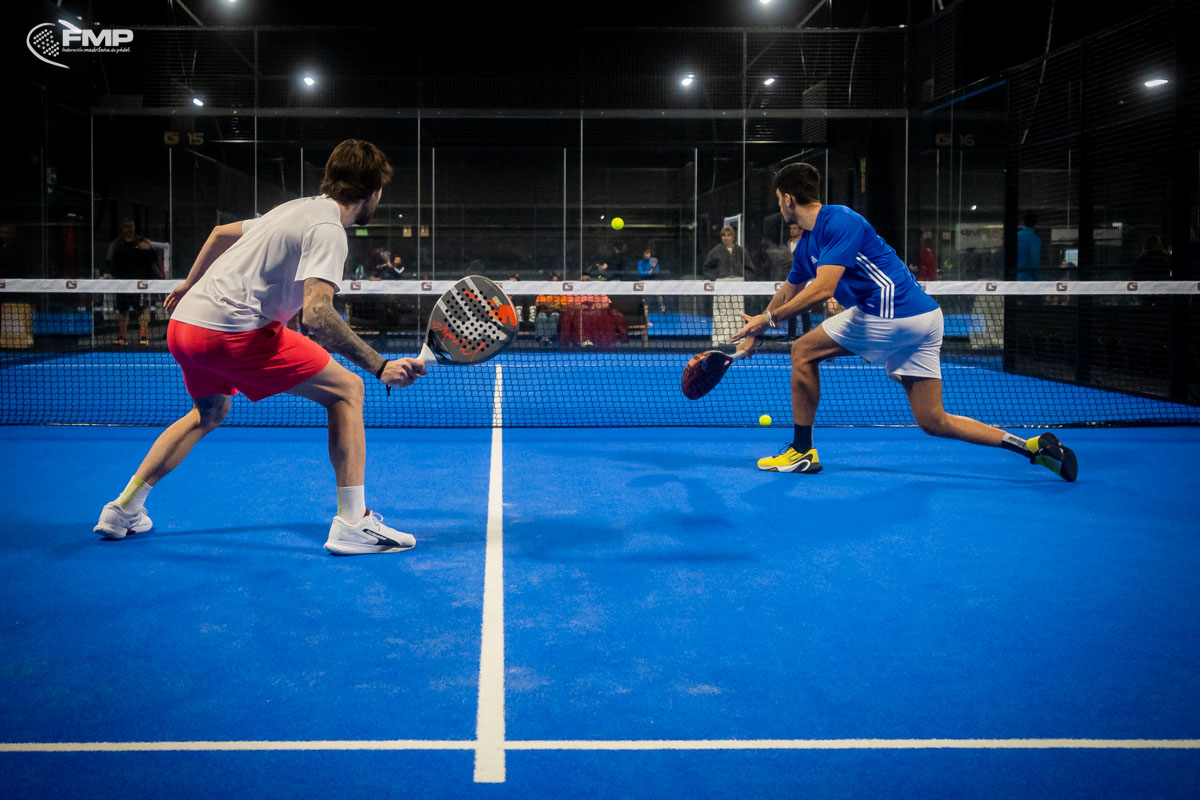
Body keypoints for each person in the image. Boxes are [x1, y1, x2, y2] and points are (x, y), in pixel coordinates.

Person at [93, 139, 428, 554]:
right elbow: (318, 316)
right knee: (348, 390)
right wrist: (379, 366)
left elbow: (219, 234)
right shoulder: (329, 230)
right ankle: (353, 523)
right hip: (234, 334)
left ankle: (123, 509)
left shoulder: (295, 208)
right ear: (373, 191)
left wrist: (187, 285)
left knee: (208, 412)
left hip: (185, 327)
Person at [731, 162, 1077, 482]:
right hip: (925, 320)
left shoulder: (840, 221)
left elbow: (823, 289)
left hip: (894, 312)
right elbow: (789, 290)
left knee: (803, 350)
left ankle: (802, 452)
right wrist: (757, 330)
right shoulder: (807, 244)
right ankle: (1033, 447)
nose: (779, 205)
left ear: (788, 199)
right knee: (933, 420)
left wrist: (767, 318)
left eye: (778, 198)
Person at [105, 217, 163, 345]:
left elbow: (154, 258)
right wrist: (116, 275)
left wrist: (147, 249)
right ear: (122, 228)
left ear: (134, 227)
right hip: (122, 284)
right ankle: (122, 337)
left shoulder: (142, 241)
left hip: (139, 284)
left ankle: (143, 337)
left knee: (142, 309)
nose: (129, 229)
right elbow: (109, 261)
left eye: (131, 226)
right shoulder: (116, 244)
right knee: (122, 311)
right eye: (126, 226)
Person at [703, 226, 749, 345]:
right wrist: (715, 279)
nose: (726, 238)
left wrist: (744, 279)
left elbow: (749, 268)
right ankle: (720, 339)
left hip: (738, 283)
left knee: (738, 312)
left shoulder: (741, 251)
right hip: (721, 283)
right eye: (724, 235)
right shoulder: (715, 251)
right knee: (721, 312)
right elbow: (706, 268)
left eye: (729, 235)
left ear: (733, 237)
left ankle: (738, 338)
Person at [1016, 212, 1042, 281]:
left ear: (1024, 222)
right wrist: (1038, 280)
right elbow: (1035, 261)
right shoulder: (1036, 240)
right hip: (1028, 279)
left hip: (1014, 278)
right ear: (1035, 223)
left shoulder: (1016, 237)